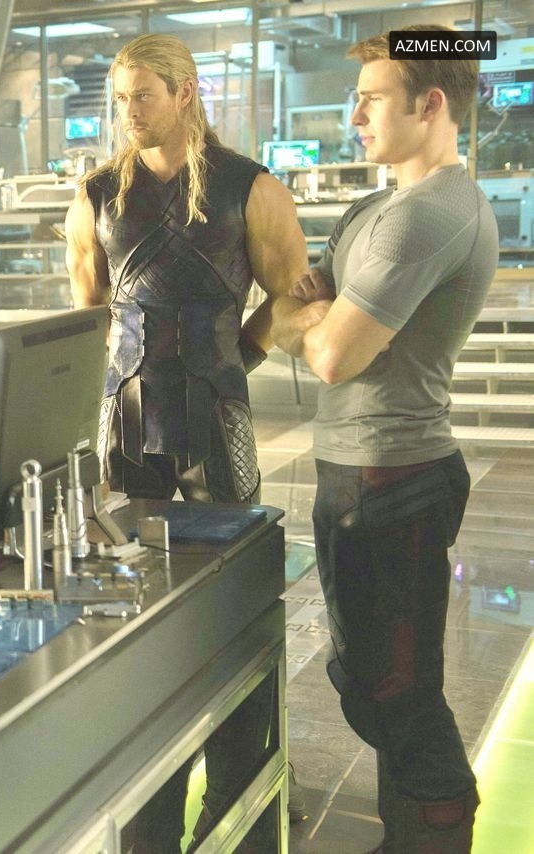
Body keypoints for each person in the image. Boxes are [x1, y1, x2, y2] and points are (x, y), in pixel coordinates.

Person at [65, 32, 308, 853]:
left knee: (234, 612)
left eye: (142, 94)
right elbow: (89, 316)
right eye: (120, 98)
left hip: (217, 422)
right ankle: (147, 815)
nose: (128, 111)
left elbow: (291, 296)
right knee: (133, 618)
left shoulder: (250, 187)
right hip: (127, 429)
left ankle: (244, 796)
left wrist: (232, 361)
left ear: (185, 92)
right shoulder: (98, 194)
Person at [271, 24, 499, 854]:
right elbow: (298, 311)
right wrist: (316, 310)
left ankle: (438, 829)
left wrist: (314, 314)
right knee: (366, 677)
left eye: (371, 98)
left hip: (393, 478)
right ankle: (406, 834)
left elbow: (331, 354)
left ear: (430, 104)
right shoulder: (376, 208)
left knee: (397, 689)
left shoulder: (429, 217)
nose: (354, 115)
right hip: (357, 472)